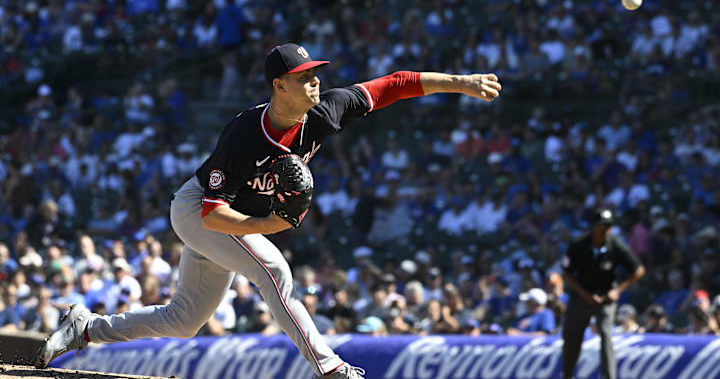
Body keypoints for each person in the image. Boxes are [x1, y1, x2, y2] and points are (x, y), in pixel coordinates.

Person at [36, 43, 502, 378]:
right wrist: (269, 225)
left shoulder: (325, 110)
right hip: (199, 210)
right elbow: (212, 214)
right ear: (280, 86)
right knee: (273, 270)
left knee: (184, 320)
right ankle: (330, 369)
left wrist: (460, 83)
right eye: (305, 77)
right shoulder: (244, 134)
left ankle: (87, 328)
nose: (315, 82)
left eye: (316, 74)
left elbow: (395, 85)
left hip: (230, 224)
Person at [561, 208, 645, 379]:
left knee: (606, 334)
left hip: (606, 296)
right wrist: (584, 295)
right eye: (602, 226)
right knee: (572, 337)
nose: (606, 230)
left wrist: (618, 290)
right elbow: (567, 273)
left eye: (609, 226)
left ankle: (609, 377)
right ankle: (567, 375)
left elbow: (639, 270)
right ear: (593, 226)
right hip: (581, 296)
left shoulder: (615, 244)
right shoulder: (579, 245)